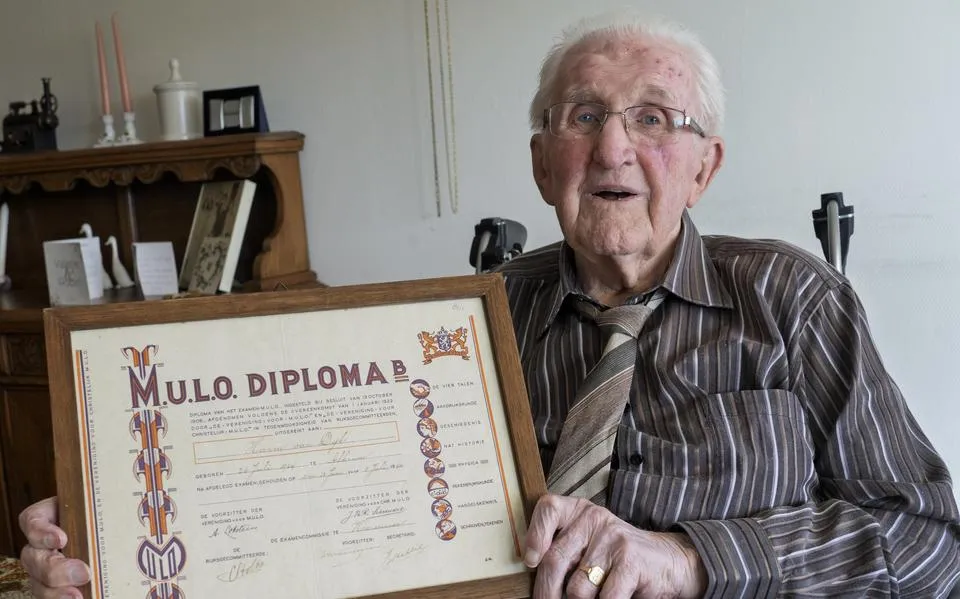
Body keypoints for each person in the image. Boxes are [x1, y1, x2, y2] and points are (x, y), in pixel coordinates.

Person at [17, 10, 960, 599]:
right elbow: (317, 514)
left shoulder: (795, 299)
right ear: (543, 160)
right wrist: (117, 533)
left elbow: (928, 541)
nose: (614, 149)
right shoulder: (462, 326)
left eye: (655, 119)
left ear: (707, 165)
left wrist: (693, 558)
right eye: (582, 116)